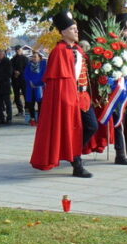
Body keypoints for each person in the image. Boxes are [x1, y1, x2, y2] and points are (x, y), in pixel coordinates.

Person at [30, 11, 96, 177]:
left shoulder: (79, 49)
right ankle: (77, 163)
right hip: (68, 98)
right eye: (73, 29)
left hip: (83, 97)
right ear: (64, 32)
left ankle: (72, 151)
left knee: (92, 126)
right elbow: (58, 83)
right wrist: (67, 98)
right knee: (71, 129)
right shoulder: (58, 51)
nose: (76, 31)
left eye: (76, 28)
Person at [23, 51, 47, 124]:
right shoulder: (28, 65)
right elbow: (25, 74)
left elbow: (44, 75)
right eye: (33, 57)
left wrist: (37, 83)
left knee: (40, 103)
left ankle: (40, 119)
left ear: (39, 58)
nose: (33, 58)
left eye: (35, 57)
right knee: (30, 103)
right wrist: (30, 82)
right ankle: (32, 118)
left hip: (39, 86)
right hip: (30, 86)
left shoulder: (43, 65)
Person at [11, 46, 28, 120]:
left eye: (19, 50)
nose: (18, 51)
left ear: (21, 50)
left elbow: (27, 68)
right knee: (16, 96)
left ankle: (27, 110)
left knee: (25, 95)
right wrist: (14, 72)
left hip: (23, 79)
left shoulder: (25, 59)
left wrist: (20, 72)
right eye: (17, 50)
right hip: (15, 79)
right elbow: (10, 68)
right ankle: (20, 110)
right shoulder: (13, 59)